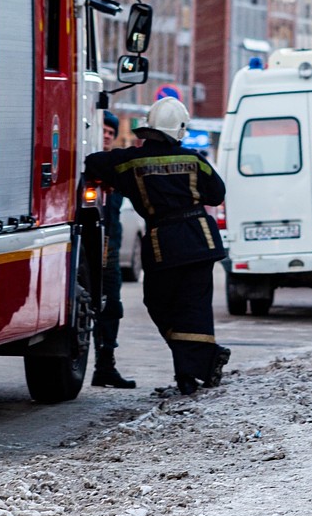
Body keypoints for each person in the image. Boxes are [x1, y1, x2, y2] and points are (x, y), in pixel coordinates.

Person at [85, 97, 230, 396]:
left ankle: (192, 372)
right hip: (200, 240)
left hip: (163, 245)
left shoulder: (130, 161)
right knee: (195, 308)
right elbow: (217, 194)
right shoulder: (194, 161)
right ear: (179, 130)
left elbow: (94, 162)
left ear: (148, 128)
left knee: (160, 303)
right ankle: (201, 363)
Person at [91, 110, 136, 389]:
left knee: (112, 308)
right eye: (103, 131)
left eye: (111, 132)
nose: (107, 136)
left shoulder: (117, 171)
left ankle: (105, 366)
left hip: (110, 256)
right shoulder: (86, 166)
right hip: (87, 255)